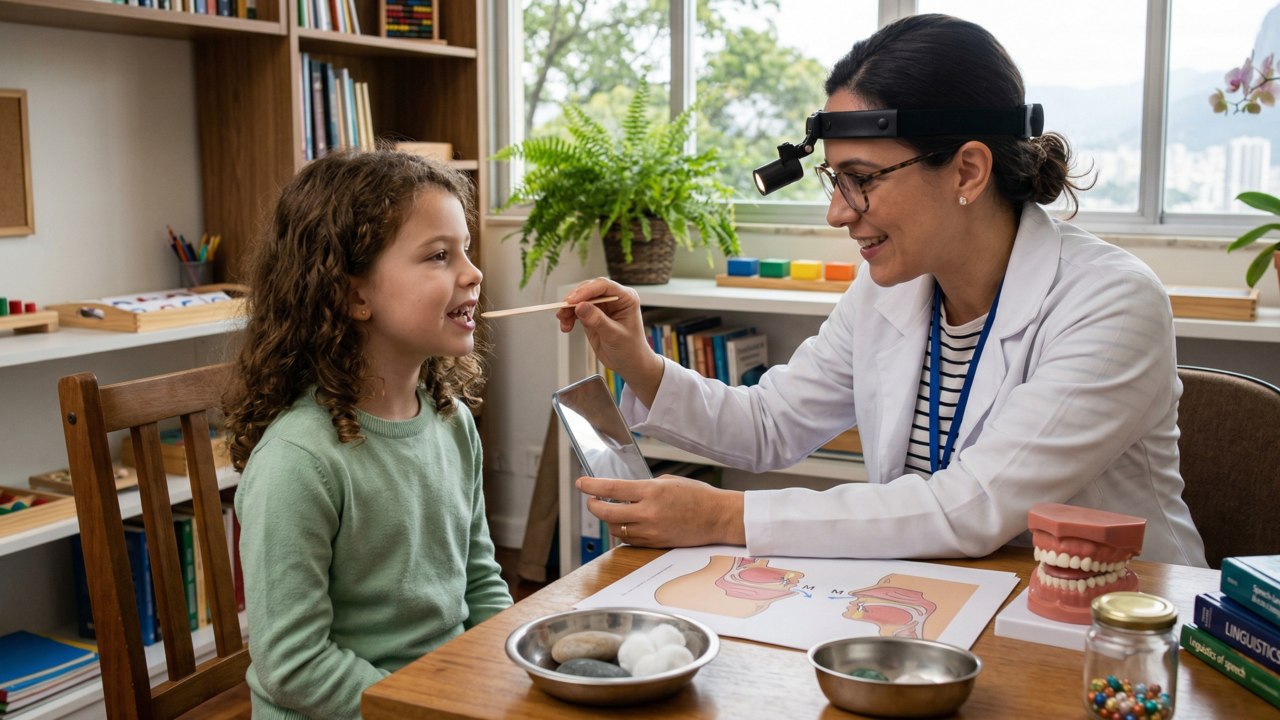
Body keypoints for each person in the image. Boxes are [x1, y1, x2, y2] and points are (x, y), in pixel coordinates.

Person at [558, 14, 1207, 567]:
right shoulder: (890, 291)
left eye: (861, 178)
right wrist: (636, 363)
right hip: (941, 602)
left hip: (1109, 629)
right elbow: (770, 424)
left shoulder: (1112, 304)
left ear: (969, 170)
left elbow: (974, 505)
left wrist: (728, 515)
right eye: (834, 180)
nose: (839, 213)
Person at [223, 151, 512, 720]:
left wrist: (507, 674)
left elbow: (481, 584)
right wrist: (423, 708)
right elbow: (294, 664)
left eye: (466, 251)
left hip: (440, 698)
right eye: (438, 255)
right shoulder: (298, 461)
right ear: (354, 295)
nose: (473, 273)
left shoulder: (453, 424)